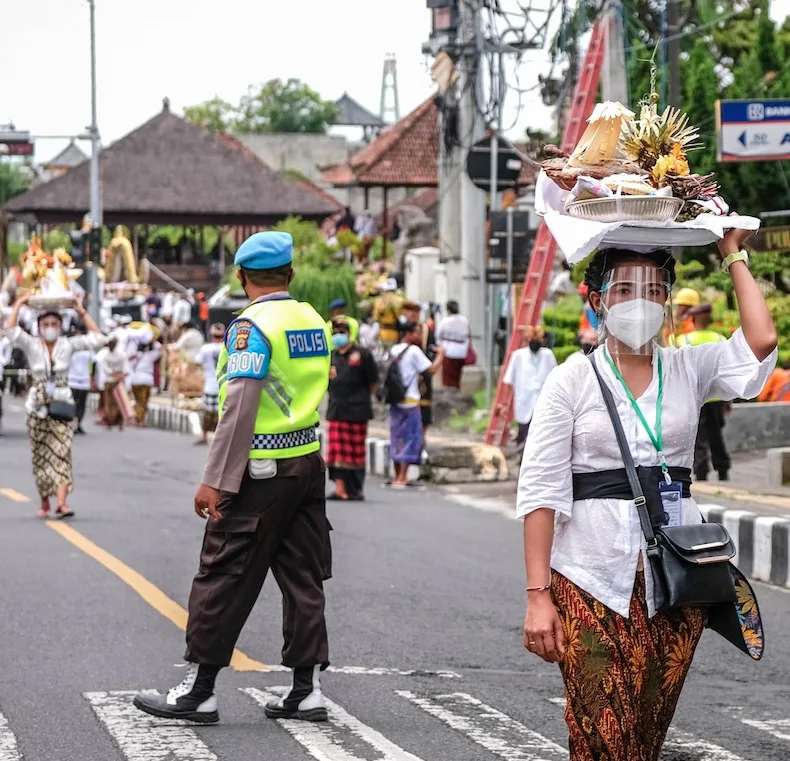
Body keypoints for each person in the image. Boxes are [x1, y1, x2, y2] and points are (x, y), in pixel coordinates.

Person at [518, 230, 777, 761]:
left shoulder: (689, 368)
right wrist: (538, 596)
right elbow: (542, 490)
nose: (641, 300)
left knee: (643, 739)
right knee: (601, 738)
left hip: (677, 583)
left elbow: (761, 341)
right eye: (625, 289)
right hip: (588, 581)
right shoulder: (571, 381)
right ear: (597, 300)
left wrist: (732, 253)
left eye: (655, 289)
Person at [134, 231, 333, 725]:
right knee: (302, 575)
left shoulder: (250, 327)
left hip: (261, 470)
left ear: (242, 278)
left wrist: (217, 479)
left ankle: (199, 691)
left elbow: (240, 405)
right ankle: (305, 690)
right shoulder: (312, 320)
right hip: (307, 462)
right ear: (290, 274)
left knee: (222, 571)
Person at [6, 293, 106, 518]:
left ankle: (62, 502)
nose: (50, 327)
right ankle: (44, 502)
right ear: (39, 326)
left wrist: (81, 311)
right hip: (36, 406)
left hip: (62, 405)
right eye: (46, 324)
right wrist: (20, 303)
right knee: (41, 455)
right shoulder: (32, 345)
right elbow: (10, 331)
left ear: (60, 326)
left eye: (54, 324)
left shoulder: (68, 345)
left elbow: (98, 339)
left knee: (62, 452)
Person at [676, 304, 731, 481]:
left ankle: (700, 472)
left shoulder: (682, 340)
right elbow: (726, 370)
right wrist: (728, 400)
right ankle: (723, 470)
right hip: (717, 396)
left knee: (698, 435)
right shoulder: (720, 338)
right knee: (716, 435)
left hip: (694, 396)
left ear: (692, 319)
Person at [326, 317, 378, 501]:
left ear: (349, 334)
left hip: (357, 410)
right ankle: (341, 488)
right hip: (336, 409)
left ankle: (356, 489)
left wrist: (360, 397)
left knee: (356, 453)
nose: (338, 336)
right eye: (335, 333)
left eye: (342, 332)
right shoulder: (330, 356)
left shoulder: (363, 355)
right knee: (337, 451)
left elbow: (373, 382)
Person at [387, 321, 444, 488]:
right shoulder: (413, 351)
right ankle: (403, 476)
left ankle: (397, 475)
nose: (420, 336)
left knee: (396, 438)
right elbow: (431, 370)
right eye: (417, 332)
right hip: (410, 401)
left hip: (394, 401)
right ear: (409, 334)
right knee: (411, 439)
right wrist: (441, 354)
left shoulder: (393, 349)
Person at [502, 326, 557, 448]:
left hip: (543, 400)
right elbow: (509, 381)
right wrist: (506, 405)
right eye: (532, 339)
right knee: (523, 431)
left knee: (540, 434)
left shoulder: (548, 355)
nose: (535, 342)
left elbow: (555, 379)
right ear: (527, 340)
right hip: (524, 399)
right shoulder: (518, 356)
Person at [400, 301, 437, 440]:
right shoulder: (402, 329)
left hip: (423, 375)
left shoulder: (427, 330)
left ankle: (420, 439)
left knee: (424, 412)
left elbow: (432, 349)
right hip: (406, 377)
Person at [194, 323, 225, 446]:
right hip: (223, 386)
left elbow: (197, 361)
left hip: (210, 386)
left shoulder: (206, 349)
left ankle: (204, 436)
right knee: (221, 414)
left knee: (207, 413)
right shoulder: (226, 347)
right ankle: (220, 439)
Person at [96, 336, 132, 429]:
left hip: (119, 382)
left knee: (119, 402)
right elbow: (106, 370)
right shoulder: (104, 356)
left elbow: (126, 370)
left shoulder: (121, 355)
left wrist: (119, 376)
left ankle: (120, 422)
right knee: (108, 403)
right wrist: (116, 374)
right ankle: (109, 421)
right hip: (109, 382)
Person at [436, 300, 471, 390]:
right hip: (461, 351)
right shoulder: (464, 320)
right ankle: (456, 393)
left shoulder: (445, 321)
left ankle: (449, 397)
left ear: (448, 310)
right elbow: (468, 335)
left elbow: (438, 335)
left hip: (449, 351)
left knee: (448, 378)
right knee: (457, 377)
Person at [129, 330, 161, 426]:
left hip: (135, 380)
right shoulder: (150, 355)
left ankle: (139, 420)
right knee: (143, 402)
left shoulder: (136, 355)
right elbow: (160, 348)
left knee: (138, 401)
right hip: (146, 380)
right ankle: (140, 421)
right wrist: (152, 340)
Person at [67, 324, 94, 435]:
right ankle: (71, 424)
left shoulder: (88, 349)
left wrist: (92, 377)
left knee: (81, 405)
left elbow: (93, 364)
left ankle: (77, 424)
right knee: (72, 405)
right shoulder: (69, 349)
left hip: (84, 381)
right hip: (72, 380)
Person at [372, 279, 402, 349]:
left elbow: (376, 318)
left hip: (383, 333)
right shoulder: (400, 301)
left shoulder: (379, 302)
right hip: (395, 333)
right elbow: (402, 318)